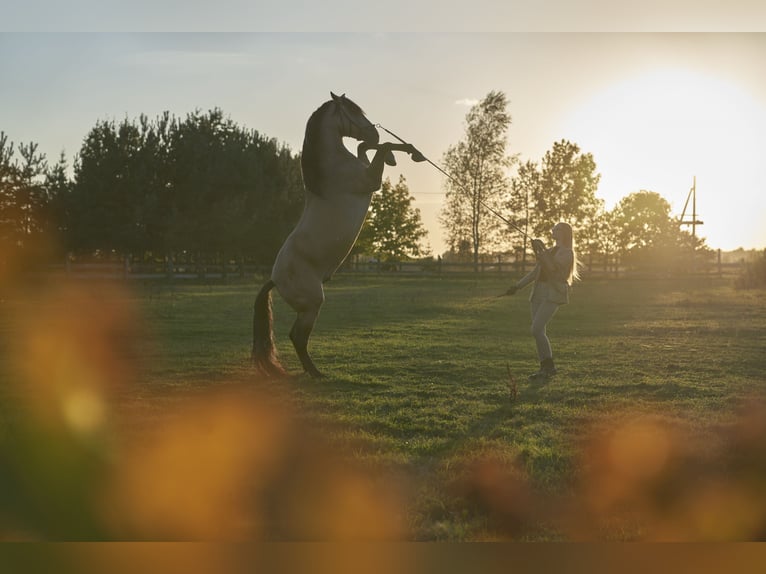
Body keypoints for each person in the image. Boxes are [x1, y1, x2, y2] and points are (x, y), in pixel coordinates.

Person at [505, 222, 579, 381]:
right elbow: (535, 273)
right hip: (537, 293)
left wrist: (541, 250)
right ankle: (544, 368)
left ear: (565, 233)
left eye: (557, 229)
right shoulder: (550, 251)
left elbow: (552, 269)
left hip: (553, 294)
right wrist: (517, 287)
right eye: (554, 228)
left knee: (536, 329)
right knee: (540, 332)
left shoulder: (567, 253)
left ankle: (549, 366)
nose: (554, 230)